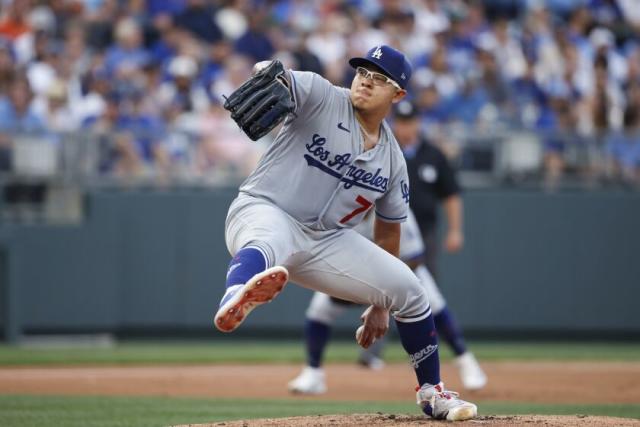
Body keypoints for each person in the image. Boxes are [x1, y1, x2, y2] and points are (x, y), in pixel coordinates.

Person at [214, 45, 477, 421]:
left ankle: (432, 392)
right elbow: (285, 80)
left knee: (412, 290)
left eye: (378, 78)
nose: (366, 82)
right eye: (362, 73)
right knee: (267, 240)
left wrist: (380, 304)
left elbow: (388, 234)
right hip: (266, 208)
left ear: (398, 94)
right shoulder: (323, 96)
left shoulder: (392, 161)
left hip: (325, 241)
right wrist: (266, 71)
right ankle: (235, 294)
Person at [287, 209, 487, 395]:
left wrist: (381, 296)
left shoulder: (394, 209)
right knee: (319, 311)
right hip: (355, 273)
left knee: (435, 306)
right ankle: (313, 373)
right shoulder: (340, 209)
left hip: (404, 269)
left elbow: (414, 259)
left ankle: (466, 361)